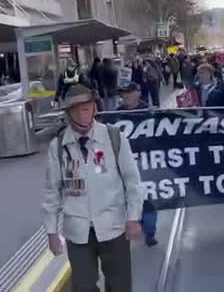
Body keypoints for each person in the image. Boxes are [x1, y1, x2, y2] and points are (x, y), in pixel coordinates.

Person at [42, 84, 144, 292]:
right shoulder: (59, 146)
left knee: (120, 285)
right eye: (76, 110)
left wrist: (133, 217)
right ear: (68, 113)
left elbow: (132, 181)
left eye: (86, 108)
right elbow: (51, 192)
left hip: (113, 225)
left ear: (94, 109)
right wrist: (51, 232)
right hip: (78, 231)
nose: (82, 115)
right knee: (83, 286)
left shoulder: (114, 138)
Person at [114, 83, 157, 247]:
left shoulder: (150, 112)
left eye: (128, 92)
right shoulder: (114, 114)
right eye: (123, 93)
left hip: (147, 162)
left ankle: (150, 230)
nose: (125, 96)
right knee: (127, 198)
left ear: (138, 93)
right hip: (124, 163)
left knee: (148, 197)